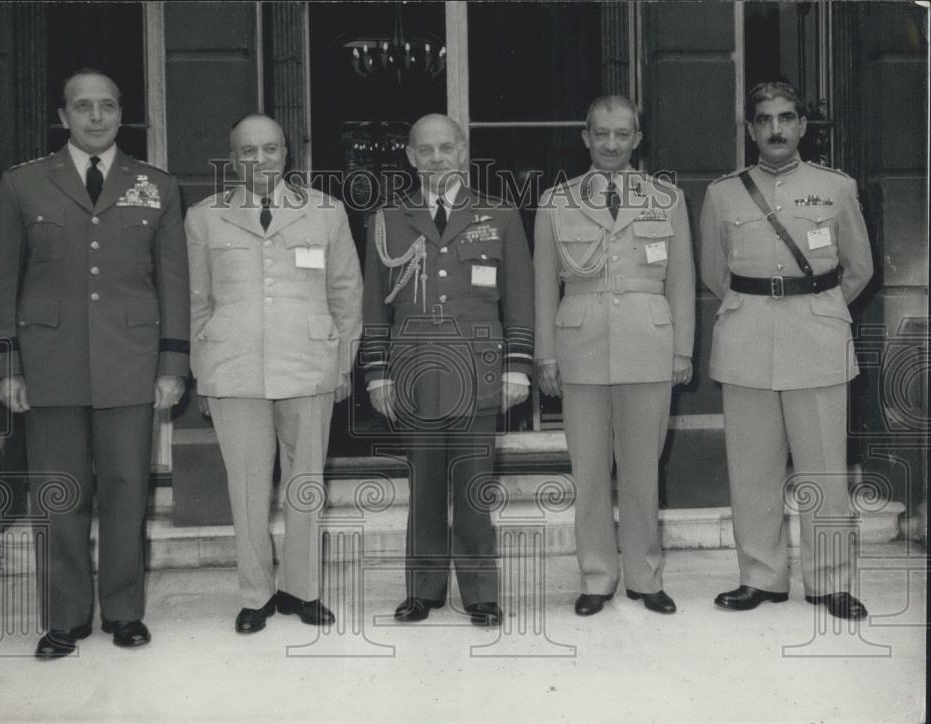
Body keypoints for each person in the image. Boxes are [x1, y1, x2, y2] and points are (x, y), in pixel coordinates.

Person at [0, 70, 190, 658]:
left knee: (128, 488)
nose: (95, 117)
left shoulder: (156, 185)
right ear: (64, 114)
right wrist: (7, 365)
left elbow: (173, 282)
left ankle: (124, 612)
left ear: (121, 113)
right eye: (82, 107)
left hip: (131, 361)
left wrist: (172, 362)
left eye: (106, 106)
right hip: (50, 364)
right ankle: (65, 617)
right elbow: (3, 281)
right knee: (59, 492)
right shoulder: (23, 184)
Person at [700, 81, 873, 619]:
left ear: (802, 126)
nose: (775, 128)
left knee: (824, 467)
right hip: (747, 337)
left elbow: (859, 268)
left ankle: (831, 581)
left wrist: (815, 306)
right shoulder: (723, 193)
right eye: (764, 119)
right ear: (751, 130)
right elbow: (713, 273)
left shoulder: (836, 188)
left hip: (815, 336)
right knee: (752, 468)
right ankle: (761, 576)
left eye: (786, 118)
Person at [186, 114, 363, 634]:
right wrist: (202, 371)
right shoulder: (205, 217)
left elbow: (346, 294)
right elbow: (198, 301)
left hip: (308, 363)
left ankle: (302, 589)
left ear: (287, 154)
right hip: (233, 367)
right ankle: (255, 594)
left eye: (268, 150)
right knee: (245, 485)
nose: (258, 160)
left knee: (305, 481)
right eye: (247, 152)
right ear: (233, 157)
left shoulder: (325, 213)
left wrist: (342, 363)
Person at [361, 114, 534, 627]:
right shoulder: (389, 217)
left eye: (446, 148)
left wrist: (518, 368)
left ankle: (481, 591)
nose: (436, 158)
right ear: (411, 156)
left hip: (478, 374)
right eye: (425, 149)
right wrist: (377, 372)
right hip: (413, 372)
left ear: (461, 151)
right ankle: (423, 588)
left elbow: (519, 299)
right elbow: (375, 305)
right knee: (426, 488)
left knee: (474, 489)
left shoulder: (498, 214)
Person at [534, 95, 695, 617]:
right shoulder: (556, 202)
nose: (610, 143)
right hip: (579, 348)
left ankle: (645, 576)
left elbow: (682, 280)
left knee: (644, 468)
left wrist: (681, 350)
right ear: (585, 137)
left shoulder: (666, 199)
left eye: (621, 134)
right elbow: (543, 287)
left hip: (649, 346)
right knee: (589, 468)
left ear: (637, 140)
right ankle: (596, 576)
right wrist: (545, 357)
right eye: (601, 133)